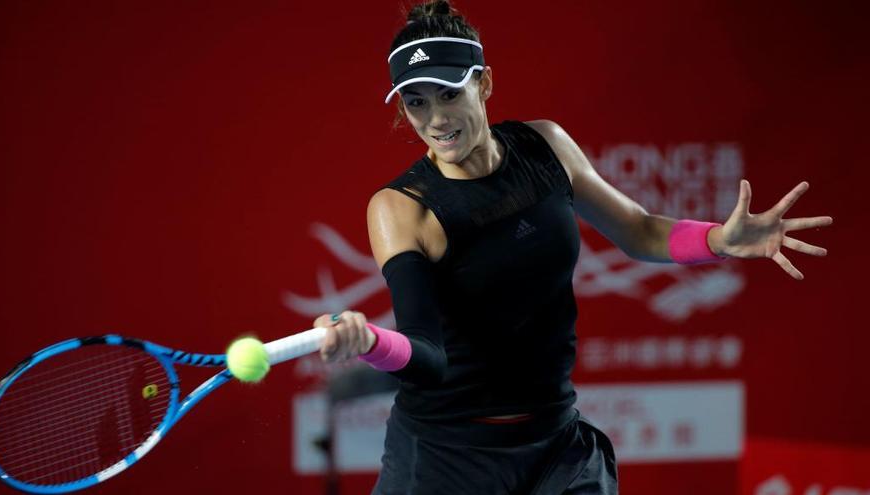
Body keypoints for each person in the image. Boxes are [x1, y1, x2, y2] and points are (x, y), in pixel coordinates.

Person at [311, 1, 833, 493]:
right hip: (446, 458)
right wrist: (369, 342)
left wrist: (720, 239)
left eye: (450, 93)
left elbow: (641, 229)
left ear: (484, 83)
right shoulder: (400, 208)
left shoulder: (547, 147)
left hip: (555, 443)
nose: (436, 120)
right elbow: (426, 356)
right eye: (416, 101)